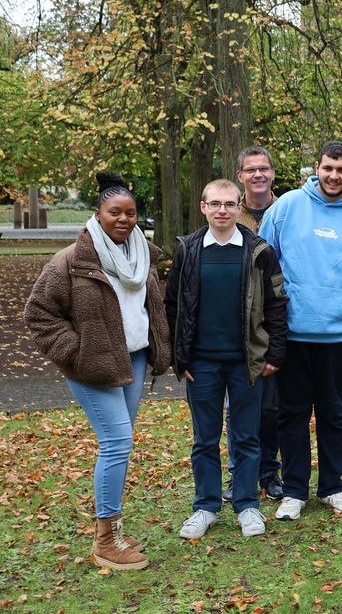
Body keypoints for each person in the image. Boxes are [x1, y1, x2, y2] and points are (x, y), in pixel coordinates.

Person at [24, 171, 171, 570]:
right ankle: (106, 540)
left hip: (133, 361)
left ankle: (115, 525)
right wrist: (78, 353)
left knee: (121, 443)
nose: (123, 219)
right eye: (114, 212)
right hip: (93, 367)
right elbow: (39, 315)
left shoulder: (143, 255)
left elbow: (149, 309)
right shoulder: (71, 260)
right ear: (98, 214)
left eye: (130, 213)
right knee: (117, 442)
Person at [258, 140, 342, 521]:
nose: (333, 176)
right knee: (290, 413)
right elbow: (262, 266)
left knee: (332, 412)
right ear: (317, 167)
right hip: (292, 332)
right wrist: (268, 329)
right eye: (328, 168)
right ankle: (294, 490)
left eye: (341, 170)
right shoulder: (287, 206)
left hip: (338, 334)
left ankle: (333, 488)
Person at [165, 179, 288, 539]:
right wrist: (178, 357)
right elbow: (173, 305)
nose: (222, 210)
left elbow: (277, 304)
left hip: (246, 361)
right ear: (203, 207)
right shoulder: (188, 250)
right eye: (215, 203)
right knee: (204, 439)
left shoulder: (259, 251)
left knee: (247, 437)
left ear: (239, 208)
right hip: (200, 364)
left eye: (229, 204)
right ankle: (205, 506)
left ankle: (248, 505)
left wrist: (274, 354)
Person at [223, 146, 284, 502]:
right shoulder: (228, 212)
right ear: (240, 175)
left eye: (264, 168)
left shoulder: (288, 210)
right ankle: (239, 474)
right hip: (238, 326)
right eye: (251, 170)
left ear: (273, 173)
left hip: (274, 319)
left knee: (271, 406)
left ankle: (268, 472)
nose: (258, 175)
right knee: (238, 408)